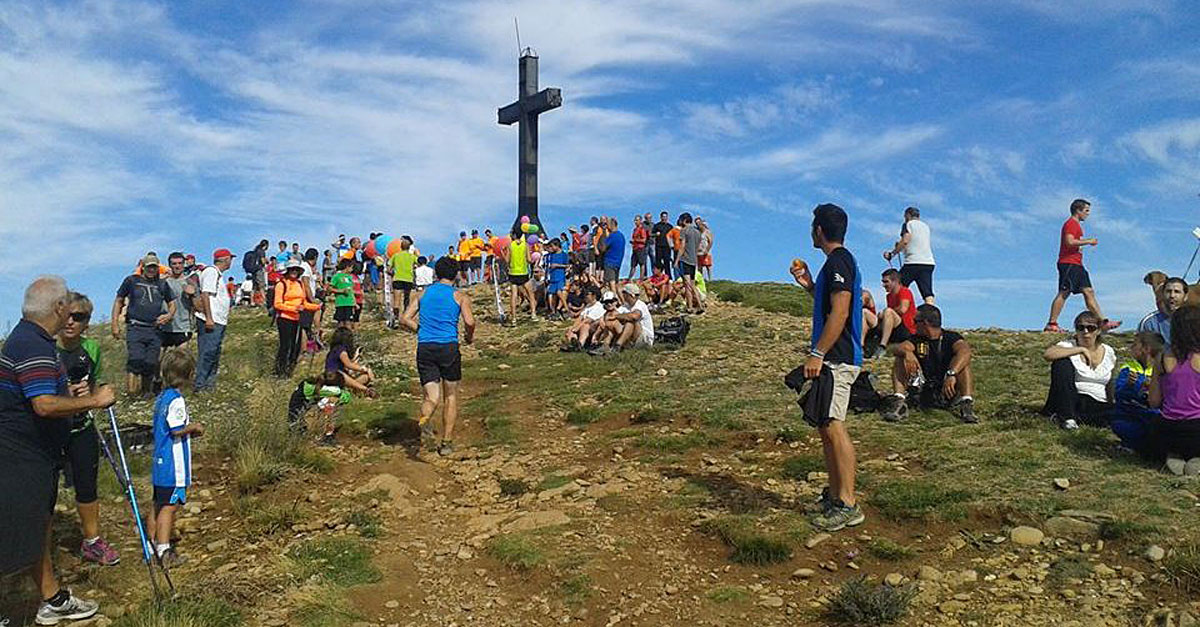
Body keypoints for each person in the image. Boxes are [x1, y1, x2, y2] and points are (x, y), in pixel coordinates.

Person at [1, 276, 114, 624]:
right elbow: (44, 405)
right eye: (67, 305)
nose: (70, 314)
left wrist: (75, 399)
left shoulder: (29, 339)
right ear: (57, 308)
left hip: (33, 453)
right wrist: (95, 401)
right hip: (20, 455)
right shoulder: (32, 345)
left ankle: (52, 599)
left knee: (37, 528)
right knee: (14, 531)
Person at [787, 203, 864, 533]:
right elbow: (832, 302)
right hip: (833, 355)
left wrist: (817, 352)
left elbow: (841, 311)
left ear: (819, 230)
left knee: (833, 424)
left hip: (837, 357)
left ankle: (847, 503)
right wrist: (808, 285)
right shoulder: (835, 264)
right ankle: (835, 496)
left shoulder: (839, 260)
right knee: (825, 425)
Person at [55, 292, 121, 566]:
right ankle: (38, 544)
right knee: (46, 488)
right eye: (67, 315)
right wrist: (64, 392)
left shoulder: (91, 348)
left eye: (78, 317)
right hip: (51, 430)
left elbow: (96, 383)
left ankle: (92, 541)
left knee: (86, 483)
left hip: (81, 426)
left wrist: (93, 393)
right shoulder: (47, 347)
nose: (71, 322)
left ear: (87, 322)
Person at [400, 257, 476, 456]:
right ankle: (447, 443)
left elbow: (404, 318)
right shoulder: (460, 296)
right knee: (450, 395)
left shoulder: (422, 294)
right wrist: (469, 337)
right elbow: (469, 321)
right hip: (448, 347)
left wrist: (420, 329)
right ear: (456, 274)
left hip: (425, 346)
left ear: (436, 273)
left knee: (432, 396)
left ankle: (424, 420)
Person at [147, 349, 204, 567]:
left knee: (157, 504)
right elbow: (176, 429)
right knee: (169, 507)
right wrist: (194, 427)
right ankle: (164, 549)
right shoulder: (176, 400)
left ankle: (151, 546)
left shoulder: (161, 398)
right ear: (189, 375)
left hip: (160, 461)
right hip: (173, 464)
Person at [878, 304, 979, 424]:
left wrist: (951, 374)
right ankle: (899, 402)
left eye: (916, 321)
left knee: (963, 363)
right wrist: (907, 353)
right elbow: (897, 348)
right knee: (900, 358)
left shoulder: (951, 338)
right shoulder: (917, 339)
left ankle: (966, 404)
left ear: (925, 323)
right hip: (924, 389)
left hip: (948, 389)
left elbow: (965, 351)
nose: (914, 324)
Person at [1045, 199, 1120, 333]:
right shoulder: (1071, 224)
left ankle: (1102, 322)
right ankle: (1052, 324)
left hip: (1077, 264)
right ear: (1078, 210)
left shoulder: (1076, 225)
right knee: (1064, 292)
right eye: (1086, 211)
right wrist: (1088, 241)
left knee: (1088, 291)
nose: (1088, 214)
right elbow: (1069, 241)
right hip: (1069, 263)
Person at [112, 254, 176, 397]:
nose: (152, 270)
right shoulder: (132, 281)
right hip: (136, 327)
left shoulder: (162, 284)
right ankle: (132, 394)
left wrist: (169, 315)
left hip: (154, 329)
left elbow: (172, 303)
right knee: (136, 360)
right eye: (149, 267)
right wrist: (115, 324)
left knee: (151, 362)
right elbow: (118, 301)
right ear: (143, 267)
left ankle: (146, 393)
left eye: (154, 267)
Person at [1148, 306, 1200, 474]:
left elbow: (1154, 402)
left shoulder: (1162, 358)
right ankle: (1195, 459)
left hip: (1167, 430)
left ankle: (1174, 455)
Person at [1042, 310, 1115, 429]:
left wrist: (1112, 401)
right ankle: (1067, 417)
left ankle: (1080, 418)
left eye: (1090, 328)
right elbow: (1048, 354)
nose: (1085, 332)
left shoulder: (1109, 351)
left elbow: (1110, 381)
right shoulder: (1068, 345)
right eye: (1081, 328)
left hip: (1096, 401)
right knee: (1061, 362)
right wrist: (1081, 350)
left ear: (1098, 331)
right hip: (1072, 397)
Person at [1110, 331, 1163, 456]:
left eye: (1134, 344)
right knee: (1120, 425)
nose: (1131, 348)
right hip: (1129, 415)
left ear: (1146, 349)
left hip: (1152, 416)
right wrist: (1129, 385)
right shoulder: (1128, 368)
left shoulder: (1161, 370)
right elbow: (1118, 394)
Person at [193, 249, 235, 392]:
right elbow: (205, 295)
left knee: (213, 352)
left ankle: (208, 385)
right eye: (230, 258)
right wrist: (209, 318)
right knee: (208, 352)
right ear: (225, 259)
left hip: (218, 320)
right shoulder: (212, 272)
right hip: (212, 320)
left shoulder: (217, 274)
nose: (231, 261)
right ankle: (200, 385)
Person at [883, 207, 936, 305]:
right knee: (927, 293)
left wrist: (893, 253)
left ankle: (898, 313)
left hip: (912, 262)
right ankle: (930, 314)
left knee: (898, 287)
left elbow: (906, 240)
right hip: (928, 263)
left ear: (908, 215)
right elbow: (916, 241)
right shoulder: (926, 226)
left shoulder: (908, 224)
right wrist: (901, 245)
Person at [274, 260, 310, 376]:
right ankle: (280, 370)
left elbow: (303, 303)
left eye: (296, 269)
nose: (294, 271)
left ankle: (290, 369)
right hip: (284, 318)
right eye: (292, 269)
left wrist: (316, 307)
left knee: (296, 345)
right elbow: (277, 304)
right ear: (288, 270)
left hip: (296, 319)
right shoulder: (281, 284)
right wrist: (294, 308)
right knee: (285, 345)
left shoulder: (300, 284)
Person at [596, 283, 654, 353]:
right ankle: (605, 346)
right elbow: (613, 314)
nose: (623, 295)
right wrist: (604, 318)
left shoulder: (640, 305)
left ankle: (618, 346)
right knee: (612, 322)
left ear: (630, 295)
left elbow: (634, 316)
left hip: (645, 338)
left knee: (630, 322)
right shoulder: (626, 306)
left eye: (624, 293)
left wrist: (616, 316)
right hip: (633, 336)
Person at [877, 269, 917, 353]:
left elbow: (903, 309)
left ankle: (882, 345)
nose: (883, 285)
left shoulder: (904, 291)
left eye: (886, 282)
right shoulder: (889, 296)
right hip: (896, 328)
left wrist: (885, 313)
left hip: (907, 329)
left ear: (895, 281)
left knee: (888, 312)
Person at [161, 252, 196, 349]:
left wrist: (192, 295)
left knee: (181, 360)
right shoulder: (163, 282)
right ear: (169, 265)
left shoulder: (190, 282)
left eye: (180, 263)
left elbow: (198, 306)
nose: (177, 266)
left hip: (183, 326)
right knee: (159, 360)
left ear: (184, 264)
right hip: (163, 326)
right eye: (174, 264)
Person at [1139, 277, 1188, 343]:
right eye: (1168, 291)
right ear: (1162, 294)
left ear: (1185, 296)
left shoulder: (1195, 320)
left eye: (1177, 292)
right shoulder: (1150, 323)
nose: (1172, 295)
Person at [678, 212, 705, 313]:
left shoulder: (684, 230)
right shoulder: (697, 232)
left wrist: (677, 260)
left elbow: (682, 246)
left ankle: (689, 307)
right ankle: (700, 305)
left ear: (684, 220)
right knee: (693, 285)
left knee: (687, 285)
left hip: (685, 259)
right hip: (694, 260)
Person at [508, 232, 536, 321]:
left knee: (514, 296)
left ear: (514, 235)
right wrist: (533, 261)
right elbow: (528, 259)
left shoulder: (510, 245)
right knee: (530, 294)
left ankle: (514, 318)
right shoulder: (526, 245)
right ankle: (533, 314)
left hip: (513, 272)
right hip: (523, 272)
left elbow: (507, 260)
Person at [390, 238, 419, 319]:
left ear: (400, 247)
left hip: (397, 279)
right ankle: (405, 316)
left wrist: (393, 273)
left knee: (396, 300)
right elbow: (420, 263)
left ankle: (396, 318)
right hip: (408, 279)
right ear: (409, 248)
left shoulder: (395, 256)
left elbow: (389, 268)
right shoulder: (412, 256)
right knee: (406, 299)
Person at [600, 217, 626, 295]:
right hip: (618, 262)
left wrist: (604, 234)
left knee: (611, 283)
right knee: (616, 284)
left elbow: (603, 248)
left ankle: (615, 299)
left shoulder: (612, 236)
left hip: (609, 261)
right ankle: (621, 301)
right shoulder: (621, 235)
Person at [545, 238, 570, 318]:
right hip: (552, 277)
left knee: (559, 292)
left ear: (557, 246)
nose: (551, 248)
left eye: (552, 246)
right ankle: (553, 311)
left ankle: (565, 308)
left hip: (560, 276)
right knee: (551, 294)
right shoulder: (551, 255)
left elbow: (567, 266)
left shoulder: (563, 255)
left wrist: (558, 265)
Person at [329, 259, 356, 330]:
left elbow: (351, 291)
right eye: (351, 267)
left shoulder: (350, 277)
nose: (352, 269)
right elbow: (330, 289)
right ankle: (340, 338)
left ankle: (348, 338)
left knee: (348, 322)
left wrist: (354, 303)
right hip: (340, 303)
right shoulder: (337, 276)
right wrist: (341, 291)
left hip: (349, 303)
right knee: (340, 322)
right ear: (347, 267)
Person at [629, 215, 649, 281]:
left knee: (642, 263)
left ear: (640, 221)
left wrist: (635, 240)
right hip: (635, 248)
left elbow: (644, 240)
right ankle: (630, 278)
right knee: (633, 264)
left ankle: (641, 278)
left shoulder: (642, 229)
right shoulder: (635, 229)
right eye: (635, 220)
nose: (635, 222)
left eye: (637, 220)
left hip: (640, 248)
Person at [697, 217, 714, 282]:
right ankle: (702, 279)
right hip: (699, 251)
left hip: (706, 251)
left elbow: (711, 241)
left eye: (699, 223)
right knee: (700, 266)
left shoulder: (707, 232)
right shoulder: (698, 232)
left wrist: (707, 249)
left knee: (708, 266)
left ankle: (710, 279)